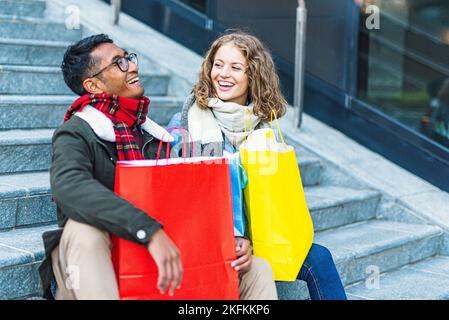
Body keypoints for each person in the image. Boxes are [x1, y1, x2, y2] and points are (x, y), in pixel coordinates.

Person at [39, 33, 276, 300]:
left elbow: (185, 204)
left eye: (128, 57)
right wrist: (148, 230)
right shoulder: (76, 132)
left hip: (149, 254)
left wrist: (232, 240)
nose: (133, 65)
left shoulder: (153, 135)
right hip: (97, 258)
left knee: (256, 268)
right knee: (84, 231)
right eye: (119, 63)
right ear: (94, 85)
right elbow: (70, 188)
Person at [168, 31, 348, 300]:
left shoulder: (262, 125)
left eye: (235, 67)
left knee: (319, 258)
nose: (223, 74)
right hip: (211, 236)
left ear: (253, 75)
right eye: (218, 64)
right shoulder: (187, 124)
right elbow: (183, 198)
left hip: (261, 232)